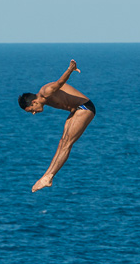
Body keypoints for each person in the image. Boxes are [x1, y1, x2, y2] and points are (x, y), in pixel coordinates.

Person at [18, 59, 96, 192]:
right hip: (75, 111)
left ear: (35, 102)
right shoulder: (43, 99)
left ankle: (49, 176)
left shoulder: (46, 91)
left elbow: (60, 82)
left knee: (67, 143)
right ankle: (46, 176)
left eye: (32, 110)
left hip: (84, 108)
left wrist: (70, 69)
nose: (34, 113)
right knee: (62, 142)